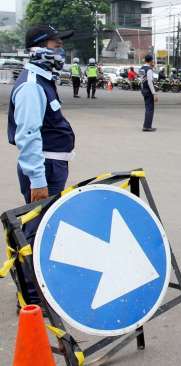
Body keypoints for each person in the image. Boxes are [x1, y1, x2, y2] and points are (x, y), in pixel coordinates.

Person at [8, 25, 75, 305]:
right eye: (55, 43)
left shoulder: (44, 79)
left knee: (41, 228)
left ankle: (35, 288)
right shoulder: (32, 85)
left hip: (51, 166)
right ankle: (31, 298)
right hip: (43, 170)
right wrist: (38, 180)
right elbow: (28, 135)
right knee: (35, 232)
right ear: (38, 47)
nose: (60, 49)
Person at [140, 54, 158, 132]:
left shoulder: (142, 68)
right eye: (152, 60)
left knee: (147, 108)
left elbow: (141, 80)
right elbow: (150, 82)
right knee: (150, 109)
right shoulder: (149, 70)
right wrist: (154, 93)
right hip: (149, 90)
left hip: (143, 89)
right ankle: (147, 126)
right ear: (150, 61)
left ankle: (146, 125)